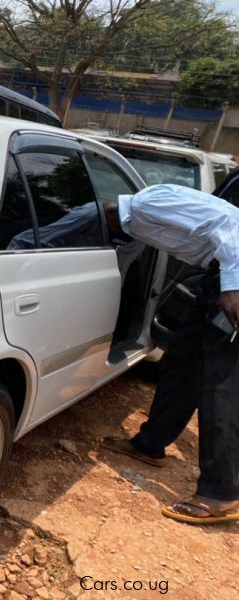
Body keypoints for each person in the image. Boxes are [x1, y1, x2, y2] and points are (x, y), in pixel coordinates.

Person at [101, 183, 239, 524]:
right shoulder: (138, 224)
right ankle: (150, 444)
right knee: (181, 363)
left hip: (233, 280)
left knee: (219, 387)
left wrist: (233, 286)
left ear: (110, 214)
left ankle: (221, 493)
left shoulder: (148, 205)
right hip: (216, 277)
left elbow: (231, 223)